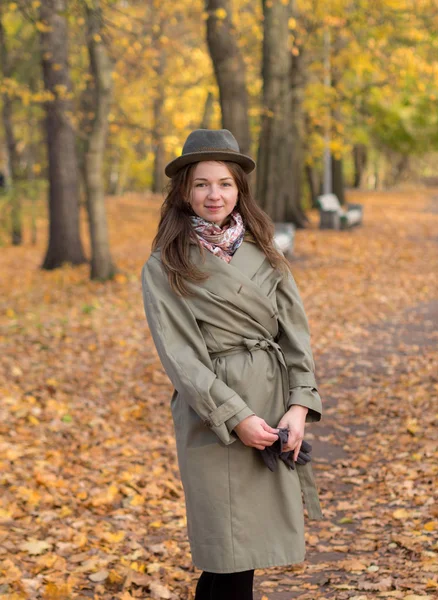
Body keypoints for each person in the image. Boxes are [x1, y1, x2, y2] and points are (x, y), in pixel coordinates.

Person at [141, 129, 323, 600]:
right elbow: (181, 357)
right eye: (202, 184)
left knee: (248, 558)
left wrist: (299, 406)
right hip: (214, 416)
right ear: (183, 191)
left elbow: (296, 335)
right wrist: (236, 417)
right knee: (226, 553)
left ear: (239, 189)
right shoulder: (167, 263)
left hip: (273, 401)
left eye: (224, 183)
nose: (214, 194)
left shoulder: (266, 251)